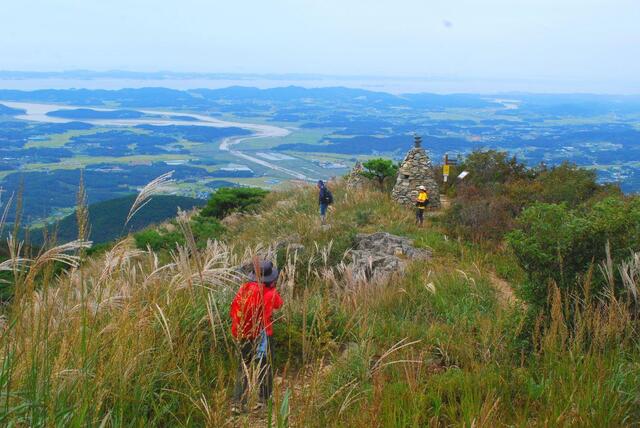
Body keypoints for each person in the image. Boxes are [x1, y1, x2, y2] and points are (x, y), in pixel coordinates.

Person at [230, 259, 283, 413]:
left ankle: (237, 403)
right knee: (265, 367)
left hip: (242, 333)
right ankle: (264, 402)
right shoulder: (270, 293)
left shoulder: (244, 288)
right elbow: (279, 305)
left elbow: (234, 307)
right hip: (262, 336)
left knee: (243, 367)